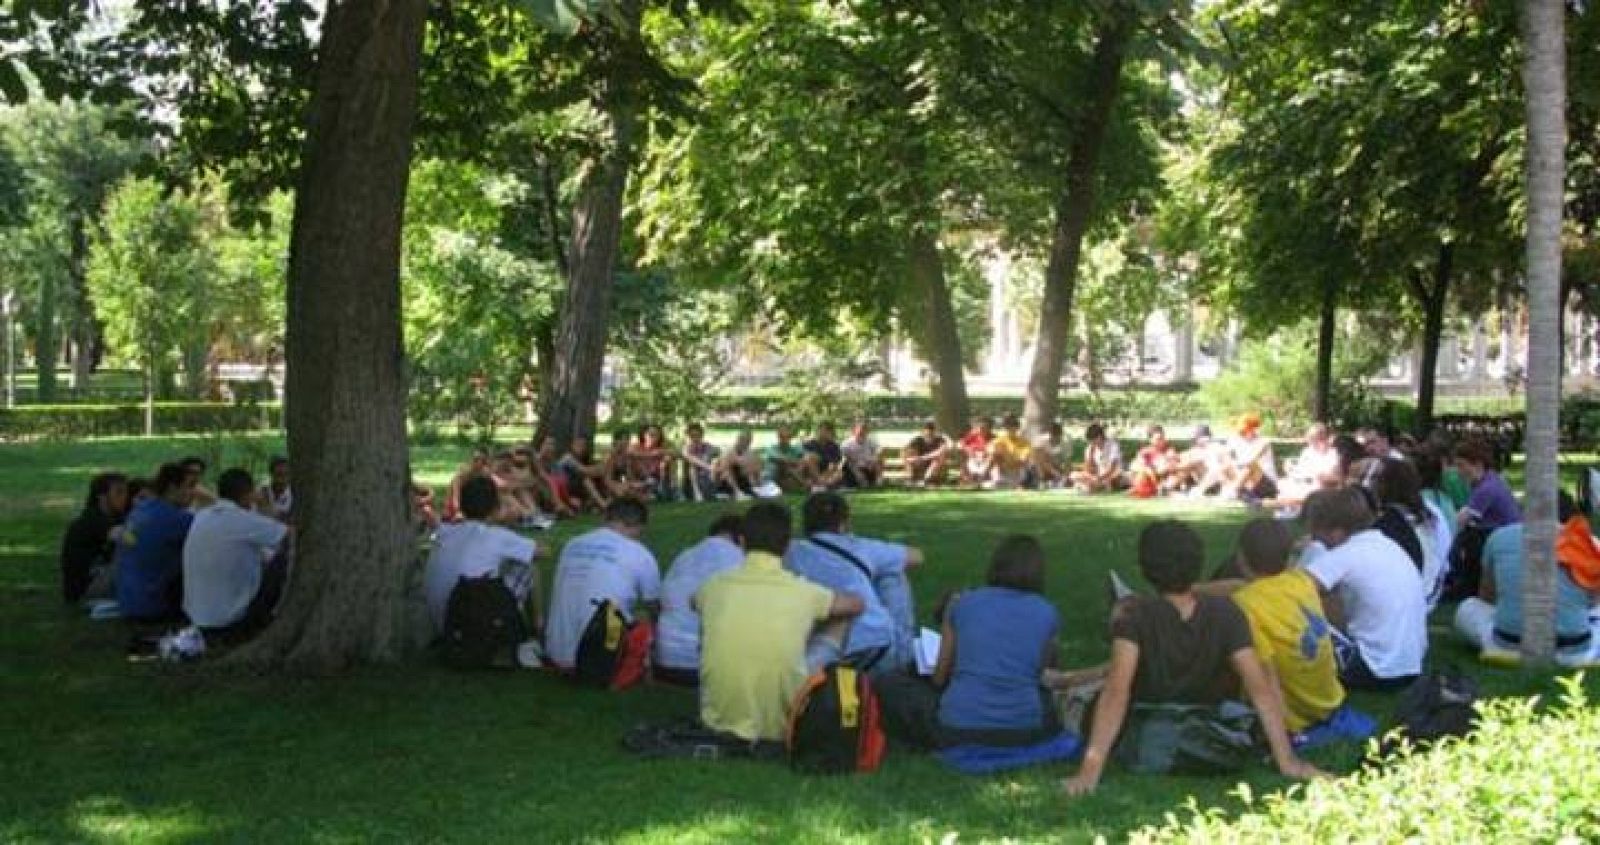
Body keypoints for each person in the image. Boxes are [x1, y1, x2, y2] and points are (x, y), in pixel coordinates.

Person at [1060, 520, 1322, 795]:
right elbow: (1260, 688)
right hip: (1208, 723)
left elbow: (1117, 690)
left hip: (1148, 721)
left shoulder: (1136, 617)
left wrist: (1089, 772)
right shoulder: (1226, 613)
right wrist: (1288, 760)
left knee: (1074, 698)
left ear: (1145, 569)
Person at [696, 502, 864, 742]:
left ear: (741, 542)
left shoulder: (714, 586)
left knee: (710, 623)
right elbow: (856, 604)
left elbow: (694, 602)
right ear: (787, 547)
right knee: (840, 619)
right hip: (783, 723)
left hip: (716, 722)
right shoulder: (803, 591)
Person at [875, 535, 1063, 750]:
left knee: (890, 683)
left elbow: (939, 678)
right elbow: (1043, 672)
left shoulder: (963, 603)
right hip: (1025, 729)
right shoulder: (1048, 612)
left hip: (959, 727)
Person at [1300, 487, 1428, 691]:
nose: (1318, 541)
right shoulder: (1388, 546)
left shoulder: (1344, 554)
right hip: (1410, 666)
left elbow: (1289, 591)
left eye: (1318, 535)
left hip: (1373, 667)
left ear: (1336, 531)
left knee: (1298, 613)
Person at [1227, 519, 1346, 735]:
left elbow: (1266, 672)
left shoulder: (1245, 604)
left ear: (1241, 558)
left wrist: (1282, 733)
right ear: (1289, 557)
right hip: (1329, 700)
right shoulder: (1302, 582)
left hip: (1295, 716)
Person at [1454, 493, 1600, 666]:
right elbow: (1593, 602)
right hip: (1574, 648)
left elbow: (1487, 597)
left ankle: (1507, 649)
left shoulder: (1499, 537)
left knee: (1467, 608)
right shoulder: (1590, 543)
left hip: (1508, 643)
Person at [785, 492, 923, 673]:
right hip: (876, 648)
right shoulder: (860, 547)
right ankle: (906, 653)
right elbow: (916, 556)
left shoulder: (791, 552)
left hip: (819, 651)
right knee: (892, 574)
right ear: (844, 523)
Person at [544, 497, 660, 670]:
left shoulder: (572, 544)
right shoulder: (640, 553)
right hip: (601, 658)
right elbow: (655, 609)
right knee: (645, 623)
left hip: (555, 652)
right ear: (638, 526)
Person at [424, 474, 545, 636]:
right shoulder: (496, 535)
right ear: (495, 507)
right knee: (527, 567)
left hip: (442, 623)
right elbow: (540, 552)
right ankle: (538, 626)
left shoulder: (445, 532)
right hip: (477, 623)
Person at [182, 468, 292, 638]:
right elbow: (290, 537)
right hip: (230, 621)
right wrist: (268, 509)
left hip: (197, 617)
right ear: (247, 494)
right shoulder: (242, 519)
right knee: (284, 557)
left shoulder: (201, 516)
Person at [653, 514, 745, 685]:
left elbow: (659, 605)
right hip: (705, 667)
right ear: (741, 538)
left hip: (663, 662)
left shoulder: (683, 557)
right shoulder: (739, 560)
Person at [115, 463, 198, 623]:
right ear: (173, 488)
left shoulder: (141, 509)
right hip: (153, 607)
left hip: (127, 601)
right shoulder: (176, 518)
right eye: (190, 486)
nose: (194, 492)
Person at [1369, 457, 1448, 609]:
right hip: (1431, 589)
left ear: (1388, 484)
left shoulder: (1390, 523)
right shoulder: (1426, 513)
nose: (1369, 483)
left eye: (1375, 478)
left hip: (1413, 595)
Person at [1449, 437, 1523, 599]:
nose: (1458, 471)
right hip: (1502, 532)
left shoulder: (1486, 489)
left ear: (1477, 464)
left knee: (1466, 539)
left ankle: (1465, 585)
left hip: (1505, 538)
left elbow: (1461, 520)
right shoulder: (1489, 480)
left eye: (1461, 465)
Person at [61, 472, 130, 604]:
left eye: (125, 492)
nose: (125, 497)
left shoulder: (114, 517)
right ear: (102, 497)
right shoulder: (93, 521)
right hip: (85, 589)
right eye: (119, 493)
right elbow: (128, 539)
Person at [1279, 423, 1341, 502]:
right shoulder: (1307, 451)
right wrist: (1291, 469)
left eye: (1313, 440)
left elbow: (1336, 477)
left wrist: (1323, 477)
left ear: (1322, 438)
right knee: (1283, 484)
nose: (1310, 443)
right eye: (1310, 440)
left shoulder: (1333, 453)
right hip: (1305, 483)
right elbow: (1300, 469)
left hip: (1323, 487)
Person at [559, 435, 612, 510]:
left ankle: (608, 499)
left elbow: (595, 471)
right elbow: (585, 470)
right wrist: (603, 464)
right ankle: (603, 504)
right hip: (564, 487)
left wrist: (602, 468)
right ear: (572, 445)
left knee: (598, 477)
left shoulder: (582, 459)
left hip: (575, 487)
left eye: (583, 445)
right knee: (584, 478)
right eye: (578, 445)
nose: (581, 448)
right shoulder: (568, 458)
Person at [1071, 423, 1125, 493]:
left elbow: (1112, 468)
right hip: (1097, 476)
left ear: (1099, 437)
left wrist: (1099, 478)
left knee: (1113, 478)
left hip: (1112, 475)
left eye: (1093, 440)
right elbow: (1088, 469)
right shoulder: (1090, 448)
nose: (1092, 443)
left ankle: (1090, 486)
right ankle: (1092, 485)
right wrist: (1091, 455)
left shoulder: (1113, 446)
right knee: (1073, 475)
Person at [629, 425, 677, 501]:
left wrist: (663, 456)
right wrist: (651, 454)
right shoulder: (637, 446)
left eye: (656, 435)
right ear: (644, 435)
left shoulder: (661, 447)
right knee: (634, 460)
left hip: (658, 474)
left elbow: (674, 453)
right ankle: (649, 488)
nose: (653, 437)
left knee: (669, 458)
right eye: (650, 434)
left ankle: (672, 487)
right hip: (641, 475)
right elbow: (630, 453)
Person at [1128, 426, 1177, 497]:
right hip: (1150, 478)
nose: (1162, 441)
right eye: (1158, 439)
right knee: (1138, 471)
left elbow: (1171, 465)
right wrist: (1148, 469)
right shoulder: (1145, 451)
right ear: (1151, 440)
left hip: (1165, 478)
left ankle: (1162, 489)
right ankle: (1143, 488)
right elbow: (1134, 466)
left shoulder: (1169, 450)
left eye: (1163, 438)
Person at [679, 423, 723, 502]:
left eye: (697, 435)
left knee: (716, 461)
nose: (695, 438)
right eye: (692, 436)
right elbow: (691, 458)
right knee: (692, 465)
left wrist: (714, 461)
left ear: (701, 435)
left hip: (707, 477)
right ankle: (697, 493)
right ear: (688, 437)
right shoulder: (686, 448)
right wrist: (710, 467)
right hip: (691, 482)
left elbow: (718, 451)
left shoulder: (708, 446)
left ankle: (715, 490)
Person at [714, 430, 765, 499]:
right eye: (744, 440)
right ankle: (737, 491)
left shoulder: (751, 453)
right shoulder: (728, 452)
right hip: (727, 482)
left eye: (748, 441)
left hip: (744, 481)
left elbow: (756, 469)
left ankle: (756, 489)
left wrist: (757, 481)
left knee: (755, 464)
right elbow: (724, 470)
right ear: (738, 439)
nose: (746, 443)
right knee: (731, 467)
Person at [986, 414, 1032, 489]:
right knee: (996, 452)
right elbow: (991, 454)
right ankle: (983, 478)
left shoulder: (1025, 443)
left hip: (1016, 470)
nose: (1010, 429)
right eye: (1008, 427)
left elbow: (1023, 460)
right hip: (1001, 470)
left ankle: (1017, 484)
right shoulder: (999, 440)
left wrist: (1009, 463)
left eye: (1013, 426)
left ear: (1017, 428)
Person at [903, 421, 954, 487]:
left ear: (934, 431)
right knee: (909, 458)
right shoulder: (918, 440)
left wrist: (923, 458)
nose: (929, 433)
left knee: (937, 460)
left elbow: (941, 451)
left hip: (935, 463)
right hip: (920, 462)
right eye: (927, 431)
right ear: (923, 431)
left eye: (931, 431)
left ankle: (926, 480)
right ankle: (910, 479)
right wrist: (914, 458)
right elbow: (908, 450)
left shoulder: (940, 440)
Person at [801, 422, 847, 491]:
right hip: (812, 472)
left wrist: (826, 474)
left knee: (839, 474)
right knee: (810, 457)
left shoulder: (833, 446)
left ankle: (819, 485)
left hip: (828, 473)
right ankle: (822, 484)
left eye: (827, 431)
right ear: (818, 431)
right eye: (822, 430)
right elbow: (804, 460)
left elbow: (834, 464)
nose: (823, 433)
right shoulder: (808, 444)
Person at [762, 425, 810, 492]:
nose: (784, 439)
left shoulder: (794, 448)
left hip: (790, 474)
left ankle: (803, 484)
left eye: (787, 437)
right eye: (782, 436)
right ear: (778, 437)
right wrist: (797, 462)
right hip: (774, 476)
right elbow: (782, 459)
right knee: (783, 465)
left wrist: (800, 465)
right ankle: (804, 484)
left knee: (791, 468)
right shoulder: (771, 448)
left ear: (790, 437)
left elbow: (808, 456)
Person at [1027, 422, 1074, 489]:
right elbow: (1039, 459)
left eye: (1057, 436)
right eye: (1053, 435)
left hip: (1056, 466)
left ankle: (1059, 483)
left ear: (1061, 434)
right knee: (1038, 461)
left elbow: (1068, 461)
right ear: (1050, 434)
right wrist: (1055, 473)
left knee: (1068, 475)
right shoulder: (1041, 441)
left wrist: (1065, 476)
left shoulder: (1066, 443)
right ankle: (1041, 482)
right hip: (1039, 467)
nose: (1055, 438)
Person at [840, 421, 885, 489]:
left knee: (879, 461)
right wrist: (857, 464)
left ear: (867, 432)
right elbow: (845, 458)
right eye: (860, 432)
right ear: (854, 432)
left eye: (864, 431)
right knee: (849, 465)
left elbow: (880, 450)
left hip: (870, 465)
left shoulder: (871, 441)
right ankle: (862, 481)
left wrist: (873, 461)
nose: (862, 433)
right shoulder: (847, 443)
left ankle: (878, 481)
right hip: (854, 466)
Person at [958, 417, 995, 486]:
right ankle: (968, 478)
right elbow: (960, 444)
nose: (981, 429)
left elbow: (993, 449)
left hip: (985, 459)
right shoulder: (972, 435)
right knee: (960, 450)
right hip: (972, 457)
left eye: (984, 428)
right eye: (980, 427)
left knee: (992, 453)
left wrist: (985, 452)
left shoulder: (993, 437)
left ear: (988, 428)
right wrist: (968, 449)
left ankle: (981, 477)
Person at [256, 456, 292, 523]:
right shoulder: (261, 492)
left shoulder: (294, 495)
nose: (282, 478)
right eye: (279, 474)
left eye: (286, 474)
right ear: (271, 473)